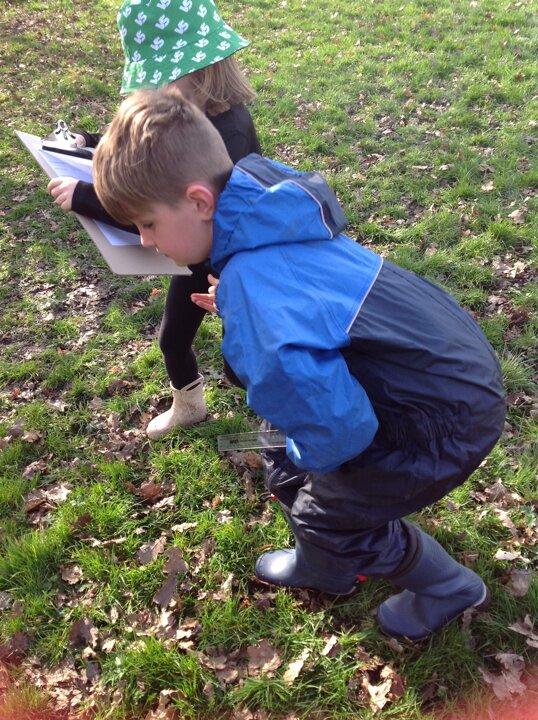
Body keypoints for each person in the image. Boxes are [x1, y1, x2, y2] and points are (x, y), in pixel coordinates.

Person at [92, 87, 506, 640]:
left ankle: (445, 586)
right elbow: (306, 301)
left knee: (326, 510)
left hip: (439, 417)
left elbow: (338, 430)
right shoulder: (265, 207)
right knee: (279, 446)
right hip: (442, 367)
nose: (145, 240)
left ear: (198, 201)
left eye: (147, 223)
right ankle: (325, 564)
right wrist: (246, 308)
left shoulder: (257, 291)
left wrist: (314, 471)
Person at [48, 0, 260, 439]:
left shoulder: (228, 133)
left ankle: (286, 413)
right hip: (196, 254)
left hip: (232, 264)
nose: (154, 87)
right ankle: (189, 405)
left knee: (246, 357)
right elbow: (147, 161)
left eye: (161, 76)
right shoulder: (186, 114)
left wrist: (87, 196)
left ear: (200, 69)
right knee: (172, 339)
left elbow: (166, 214)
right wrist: (91, 142)